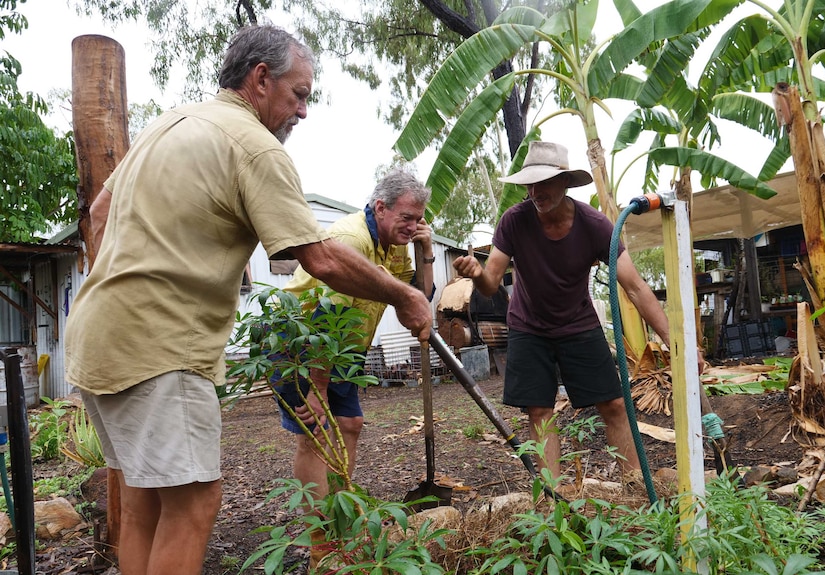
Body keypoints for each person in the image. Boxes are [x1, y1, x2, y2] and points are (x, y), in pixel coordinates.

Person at [64, 25, 432, 575]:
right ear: (260, 79)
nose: (303, 112)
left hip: (96, 333)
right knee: (193, 503)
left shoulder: (168, 122)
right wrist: (405, 296)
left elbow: (98, 215)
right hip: (162, 347)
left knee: (143, 500)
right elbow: (321, 259)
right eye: (299, 94)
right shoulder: (253, 146)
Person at [452, 140, 704, 481]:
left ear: (565, 181)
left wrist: (677, 345)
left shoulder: (594, 225)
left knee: (613, 404)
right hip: (529, 327)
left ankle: (635, 485)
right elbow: (491, 282)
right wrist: (478, 274)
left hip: (578, 324)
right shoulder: (514, 220)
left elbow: (636, 288)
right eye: (530, 183)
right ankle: (552, 499)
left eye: (543, 182)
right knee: (540, 411)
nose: (535, 191)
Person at [274, 169, 433, 563]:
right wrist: (318, 388)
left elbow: (415, 299)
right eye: (407, 218)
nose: (413, 226)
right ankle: (321, 547)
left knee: (350, 424)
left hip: (342, 350)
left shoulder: (395, 244)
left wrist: (424, 251)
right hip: (301, 343)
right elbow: (328, 316)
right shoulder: (352, 240)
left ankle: (340, 522)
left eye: (419, 220)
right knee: (317, 434)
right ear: (381, 207)